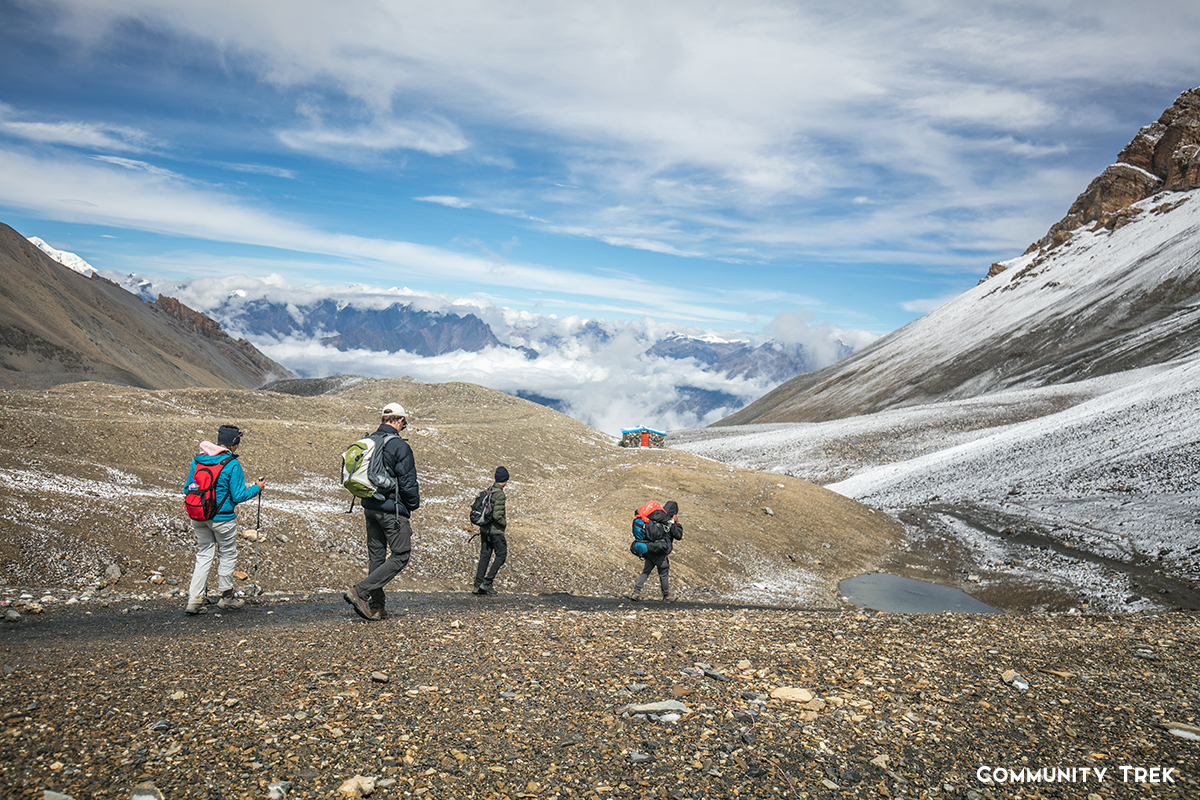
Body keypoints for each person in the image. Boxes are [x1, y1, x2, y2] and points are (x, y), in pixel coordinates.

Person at [343, 402, 421, 621]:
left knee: (376, 556)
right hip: (392, 510)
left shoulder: (369, 441)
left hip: (369, 506)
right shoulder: (399, 446)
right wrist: (412, 505)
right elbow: (407, 483)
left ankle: (377, 607)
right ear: (400, 420)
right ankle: (360, 592)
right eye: (404, 422)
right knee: (401, 554)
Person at [184, 425, 264, 615]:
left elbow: (188, 487)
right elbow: (238, 496)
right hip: (223, 518)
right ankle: (226, 596)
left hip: (199, 515)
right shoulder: (232, 464)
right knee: (227, 554)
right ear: (234, 443)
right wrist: (257, 488)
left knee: (203, 555)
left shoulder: (199, 460)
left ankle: (194, 600)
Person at [628, 500, 684, 603]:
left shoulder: (655, 517)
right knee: (663, 573)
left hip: (649, 549)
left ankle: (636, 593)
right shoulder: (668, 521)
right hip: (660, 551)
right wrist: (677, 522)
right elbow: (678, 536)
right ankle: (666, 595)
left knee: (646, 571)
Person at [472, 467, 509, 596]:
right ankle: (487, 583)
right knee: (501, 554)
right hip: (495, 531)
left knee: (485, 555)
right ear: (505, 480)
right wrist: (504, 524)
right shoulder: (499, 494)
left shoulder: (488, 491)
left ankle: (478, 585)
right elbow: (498, 516)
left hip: (484, 530)